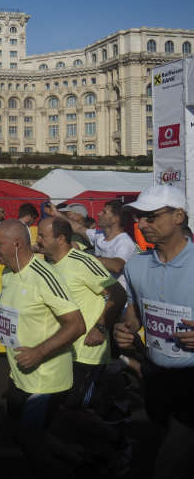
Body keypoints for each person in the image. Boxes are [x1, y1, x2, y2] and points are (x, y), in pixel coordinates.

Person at [0, 220, 86, 478]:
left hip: (45, 380)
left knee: (29, 439)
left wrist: (39, 352)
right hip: (19, 375)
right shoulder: (7, 273)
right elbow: (16, 314)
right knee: (19, 433)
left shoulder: (45, 276)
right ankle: (81, 465)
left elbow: (76, 325)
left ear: (18, 243)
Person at [36, 216, 133, 476]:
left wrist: (100, 326)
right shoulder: (48, 264)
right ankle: (99, 460)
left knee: (69, 408)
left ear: (60, 239)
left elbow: (117, 294)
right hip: (62, 348)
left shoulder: (83, 262)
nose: (38, 240)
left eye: (42, 236)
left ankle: (121, 443)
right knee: (71, 411)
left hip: (86, 349)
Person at [114, 185, 194, 479]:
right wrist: (127, 326)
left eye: (150, 217)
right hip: (156, 374)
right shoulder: (135, 264)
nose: (140, 224)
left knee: (166, 466)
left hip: (192, 377)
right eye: (138, 217)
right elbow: (135, 309)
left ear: (178, 216)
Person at [59, 199, 138, 425]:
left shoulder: (124, 242)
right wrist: (55, 212)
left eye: (103, 211)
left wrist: (81, 256)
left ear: (114, 218)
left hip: (117, 304)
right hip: (102, 302)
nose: (99, 214)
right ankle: (131, 376)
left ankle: (123, 405)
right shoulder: (100, 236)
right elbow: (76, 227)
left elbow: (116, 266)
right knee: (111, 357)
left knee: (111, 358)